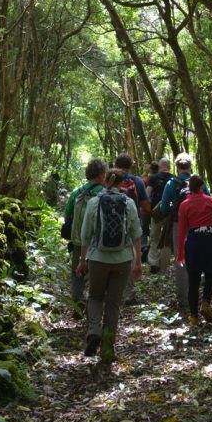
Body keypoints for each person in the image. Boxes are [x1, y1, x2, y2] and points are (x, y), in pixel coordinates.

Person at [76, 168, 142, 362]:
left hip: (98, 258)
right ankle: (107, 348)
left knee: (95, 297)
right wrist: (137, 262)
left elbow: (85, 235)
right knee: (113, 304)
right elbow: (136, 234)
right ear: (122, 183)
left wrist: (82, 261)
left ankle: (94, 331)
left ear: (105, 181)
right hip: (123, 260)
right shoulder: (128, 203)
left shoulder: (94, 202)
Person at [177, 174, 212, 325]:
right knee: (211, 274)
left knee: (193, 281)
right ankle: (206, 302)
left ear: (190, 189)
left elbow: (181, 231)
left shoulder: (184, 205)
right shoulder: (211, 201)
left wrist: (180, 253)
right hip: (209, 239)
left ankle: (194, 317)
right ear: (202, 187)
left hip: (193, 241)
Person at [160, 153, 209, 314]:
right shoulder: (199, 182)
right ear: (190, 166)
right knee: (200, 257)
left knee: (180, 259)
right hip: (199, 225)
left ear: (177, 167)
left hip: (179, 224)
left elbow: (164, 209)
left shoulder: (171, 184)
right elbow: (209, 199)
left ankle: (184, 299)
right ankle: (200, 295)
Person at [62, 158, 106, 316]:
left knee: (77, 272)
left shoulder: (76, 192)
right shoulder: (103, 193)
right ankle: (93, 305)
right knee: (95, 274)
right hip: (98, 241)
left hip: (78, 240)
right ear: (101, 175)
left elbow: (67, 216)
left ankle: (78, 303)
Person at [114, 153, 150, 305]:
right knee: (129, 255)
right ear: (131, 166)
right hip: (130, 222)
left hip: (111, 222)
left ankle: (113, 288)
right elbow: (145, 206)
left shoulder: (110, 179)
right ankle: (129, 293)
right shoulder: (137, 181)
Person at [146, 157, 174, 274]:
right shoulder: (174, 179)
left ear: (159, 166)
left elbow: (147, 194)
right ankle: (164, 266)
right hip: (170, 212)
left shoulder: (153, 178)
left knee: (154, 237)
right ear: (169, 166)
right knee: (167, 238)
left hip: (156, 212)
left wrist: (147, 211)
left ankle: (153, 263)